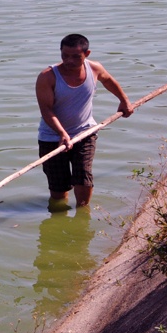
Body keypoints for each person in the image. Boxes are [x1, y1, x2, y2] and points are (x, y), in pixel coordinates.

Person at [36, 34, 134, 208]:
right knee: (58, 189)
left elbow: (109, 80)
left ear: (86, 54)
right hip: (52, 137)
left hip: (85, 132)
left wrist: (124, 100)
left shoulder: (94, 68)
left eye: (76, 56)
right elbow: (46, 110)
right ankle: (60, 217)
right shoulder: (47, 77)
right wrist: (62, 133)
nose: (69, 61)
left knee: (83, 175)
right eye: (65, 55)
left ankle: (83, 214)